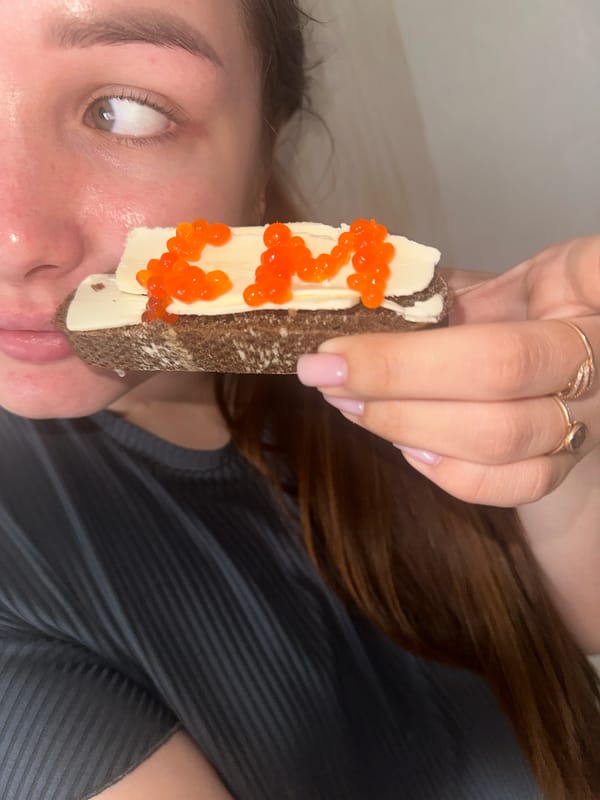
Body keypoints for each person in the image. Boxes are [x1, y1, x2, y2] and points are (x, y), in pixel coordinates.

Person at [0, 1, 598, 799]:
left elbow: (568, 643)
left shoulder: (394, 375)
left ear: (258, 162)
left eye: (124, 110)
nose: (16, 238)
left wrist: (571, 468)